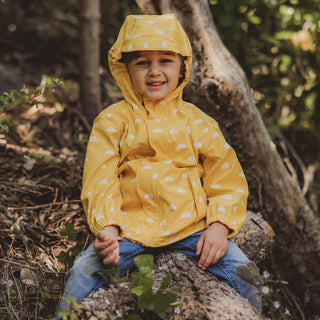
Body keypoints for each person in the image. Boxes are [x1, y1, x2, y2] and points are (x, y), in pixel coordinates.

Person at [54, 13, 261, 317]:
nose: (154, 72)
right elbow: (100, 179)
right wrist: (107, 228)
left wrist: (219, 226)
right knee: (83, 272)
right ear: (125, 68)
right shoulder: (112, 120)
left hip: (192, 229)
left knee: (245, 275)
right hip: (129, 230)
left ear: (182, 67)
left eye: (165, 60)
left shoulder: (198, 122)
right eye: (142, 63)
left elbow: (225, 176)